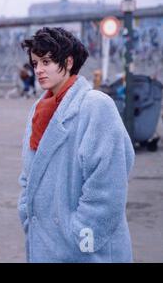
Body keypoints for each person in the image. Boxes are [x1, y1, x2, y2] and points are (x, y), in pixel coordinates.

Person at [18, 27, 135, 262]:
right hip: (46, 244)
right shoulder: (39, 109)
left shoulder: (95, 105)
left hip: (85, 251)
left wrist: (80, 234)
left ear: (68, 62)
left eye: (47, 61)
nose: (39, 70)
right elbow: (28, 175)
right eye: (35, 63)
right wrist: (27, 214)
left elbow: (108, 184)